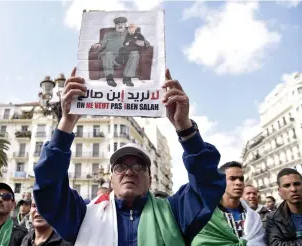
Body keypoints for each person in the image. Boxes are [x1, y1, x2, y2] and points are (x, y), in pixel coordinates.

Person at [33, 68, 226, 245]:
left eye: (139, 167)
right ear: (111, 180)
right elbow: (48, 188)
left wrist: (185, 127)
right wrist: (66, 123)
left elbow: (208, 183)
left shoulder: (175, 212)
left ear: (150, 180)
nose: (129, 172)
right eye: (120, 167)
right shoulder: (82, 215)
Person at [192, 161, 266, 245]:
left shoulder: (255, 217)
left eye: (241, 179)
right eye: (232, 178)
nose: (238, 182)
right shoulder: (207, 217)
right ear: (220, 182)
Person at [91, 17, 149, 87]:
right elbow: (102, 43)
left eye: (122, 24)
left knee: (135, 53)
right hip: (112, 57)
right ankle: (109, 78)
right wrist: (99, 44)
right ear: (115, 26)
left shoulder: (132, 32)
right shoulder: (109, 34)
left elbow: (146, 42)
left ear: (125, 25)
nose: (120, 25)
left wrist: (144, 43)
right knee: (107, 54)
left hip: (126, 57)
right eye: (118, 24)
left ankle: (127, 78)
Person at [266, 168, 302, 245]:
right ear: (280, 191)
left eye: (297, 184)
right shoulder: (273, 218)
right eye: (287, 185)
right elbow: (275, 244)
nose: (293, 189)